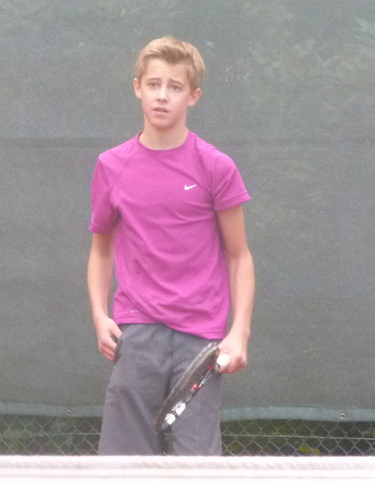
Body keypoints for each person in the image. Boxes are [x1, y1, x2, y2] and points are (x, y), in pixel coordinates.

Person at [86, 36, 255, 456]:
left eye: (174, 87)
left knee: (197, 468)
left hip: (201, 339)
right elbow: (101, 249)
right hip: (137, 332)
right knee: (123, 468)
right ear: (137, 88)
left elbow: (239, 255)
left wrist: (239, 333)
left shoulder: (216, 166)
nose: (162, 95)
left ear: (193, 96)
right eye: (154, 84)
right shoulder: (111, 165)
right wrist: (100, 315)